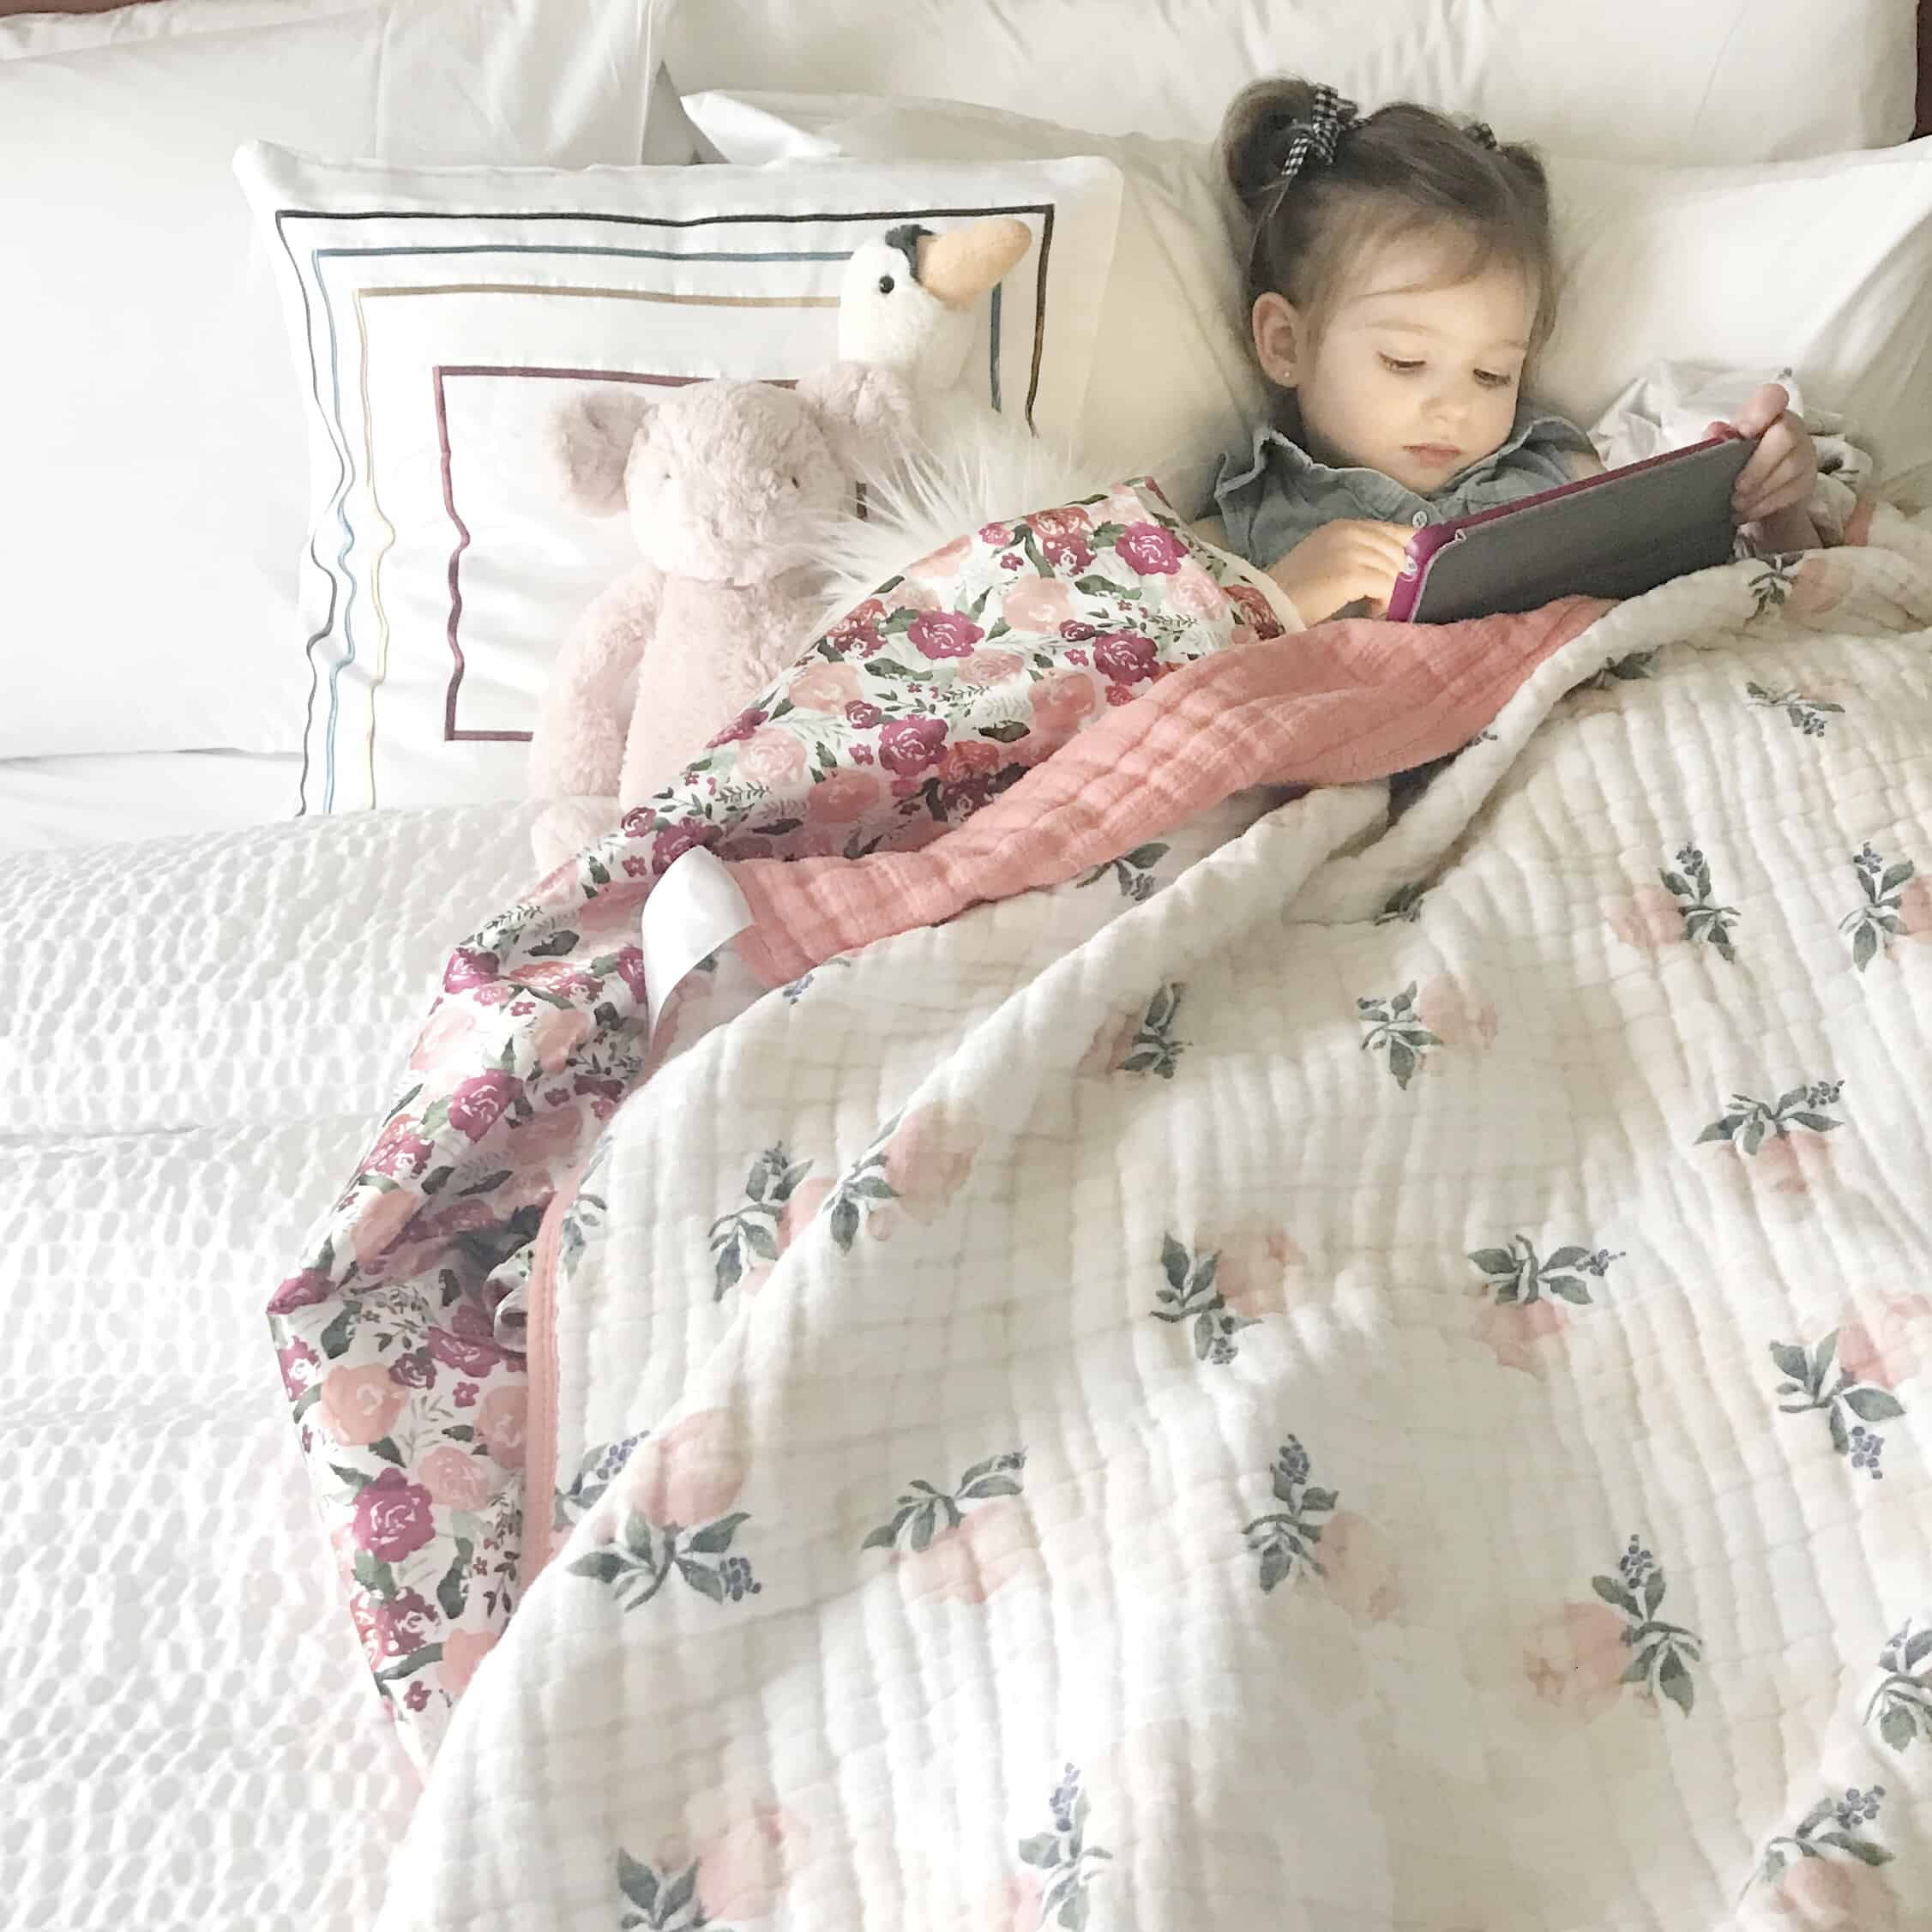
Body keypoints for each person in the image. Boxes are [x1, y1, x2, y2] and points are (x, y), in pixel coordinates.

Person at [1210, 80, 1821, 625]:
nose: (1454, 408)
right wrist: (1275, 601)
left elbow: (1752, 602)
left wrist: (1773, 510)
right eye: (1404, 361)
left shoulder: (1562, 472)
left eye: (1491, 374)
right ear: (1285, 343)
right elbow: (1151, 672)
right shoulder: (1241, 526)